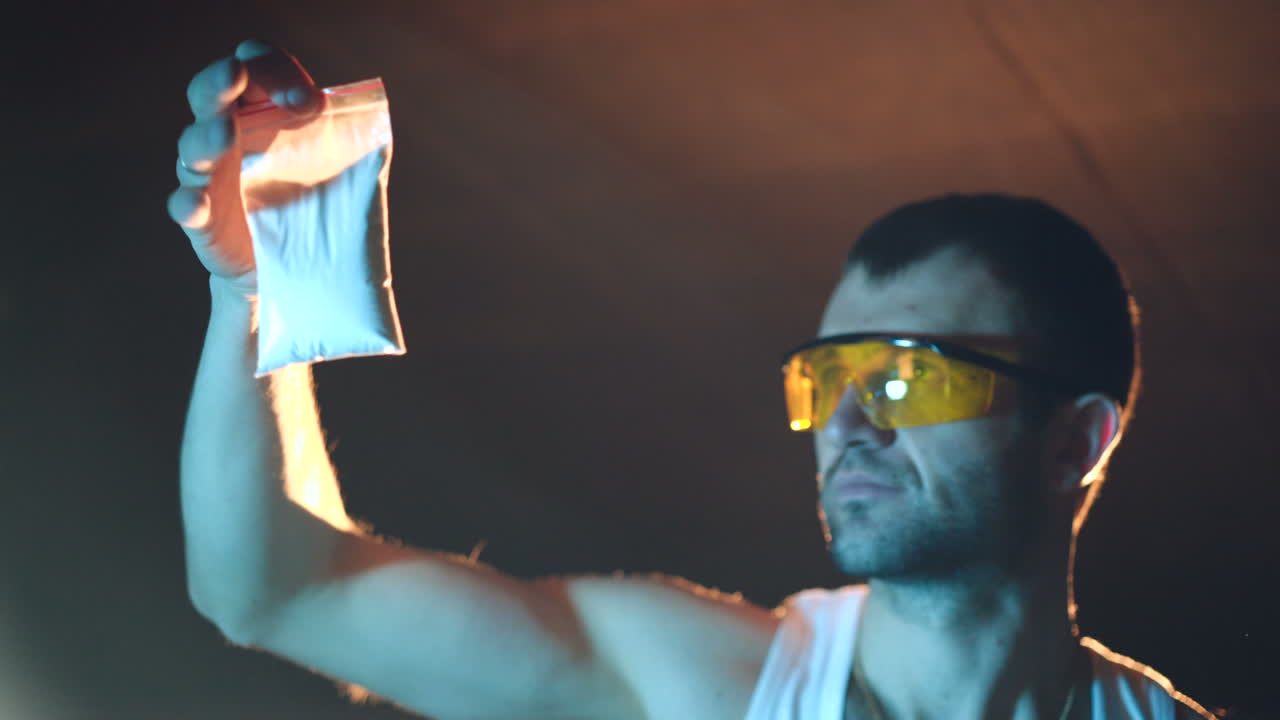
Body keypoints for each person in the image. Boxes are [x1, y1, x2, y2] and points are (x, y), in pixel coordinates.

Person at [170, 41, 1215, 720]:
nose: (845, 419)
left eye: (904, 377)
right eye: (822, 377)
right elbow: (275, 591)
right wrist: (259, 294)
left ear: (1075, 442)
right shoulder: (701, 688)